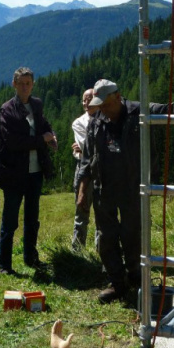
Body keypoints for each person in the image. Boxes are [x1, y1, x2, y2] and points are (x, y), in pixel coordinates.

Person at [75, 79, 174, 303]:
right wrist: (82, 191)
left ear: (118, 97)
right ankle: (116, 283)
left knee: (133, 234)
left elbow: (166, 110)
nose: (103, 110)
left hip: (133, 187)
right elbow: (87, 160)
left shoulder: (138, 112)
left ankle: (136, 278)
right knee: (106, 238)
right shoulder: (96, 121)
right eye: (99, 105)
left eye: (106, 104)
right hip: (104, 188)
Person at [0, 67, 58, 274]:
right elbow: (13, 142)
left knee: (32, 218)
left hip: (35, 171)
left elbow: (44, 124)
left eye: (28, 83)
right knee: (10, 220)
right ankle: (4, 265)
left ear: (33, 84)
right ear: (14, 84)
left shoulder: (36, 104)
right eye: (21, 83)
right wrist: (41, 140)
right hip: (13, 173)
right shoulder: (7, 110)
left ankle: (31, 258)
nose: (25, 87)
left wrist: (51, 135)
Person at [71, 88, 99, 250]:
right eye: (83, 100)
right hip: (84, 169)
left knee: (102, 212)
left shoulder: (106, 118)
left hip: (102, 170)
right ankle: (78, 250)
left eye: (89, 99)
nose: (85, 103)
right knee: (81, 210)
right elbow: (90, 148)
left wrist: (84, 148)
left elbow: (87, 147)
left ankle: (101, 249)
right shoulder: (79, 123)